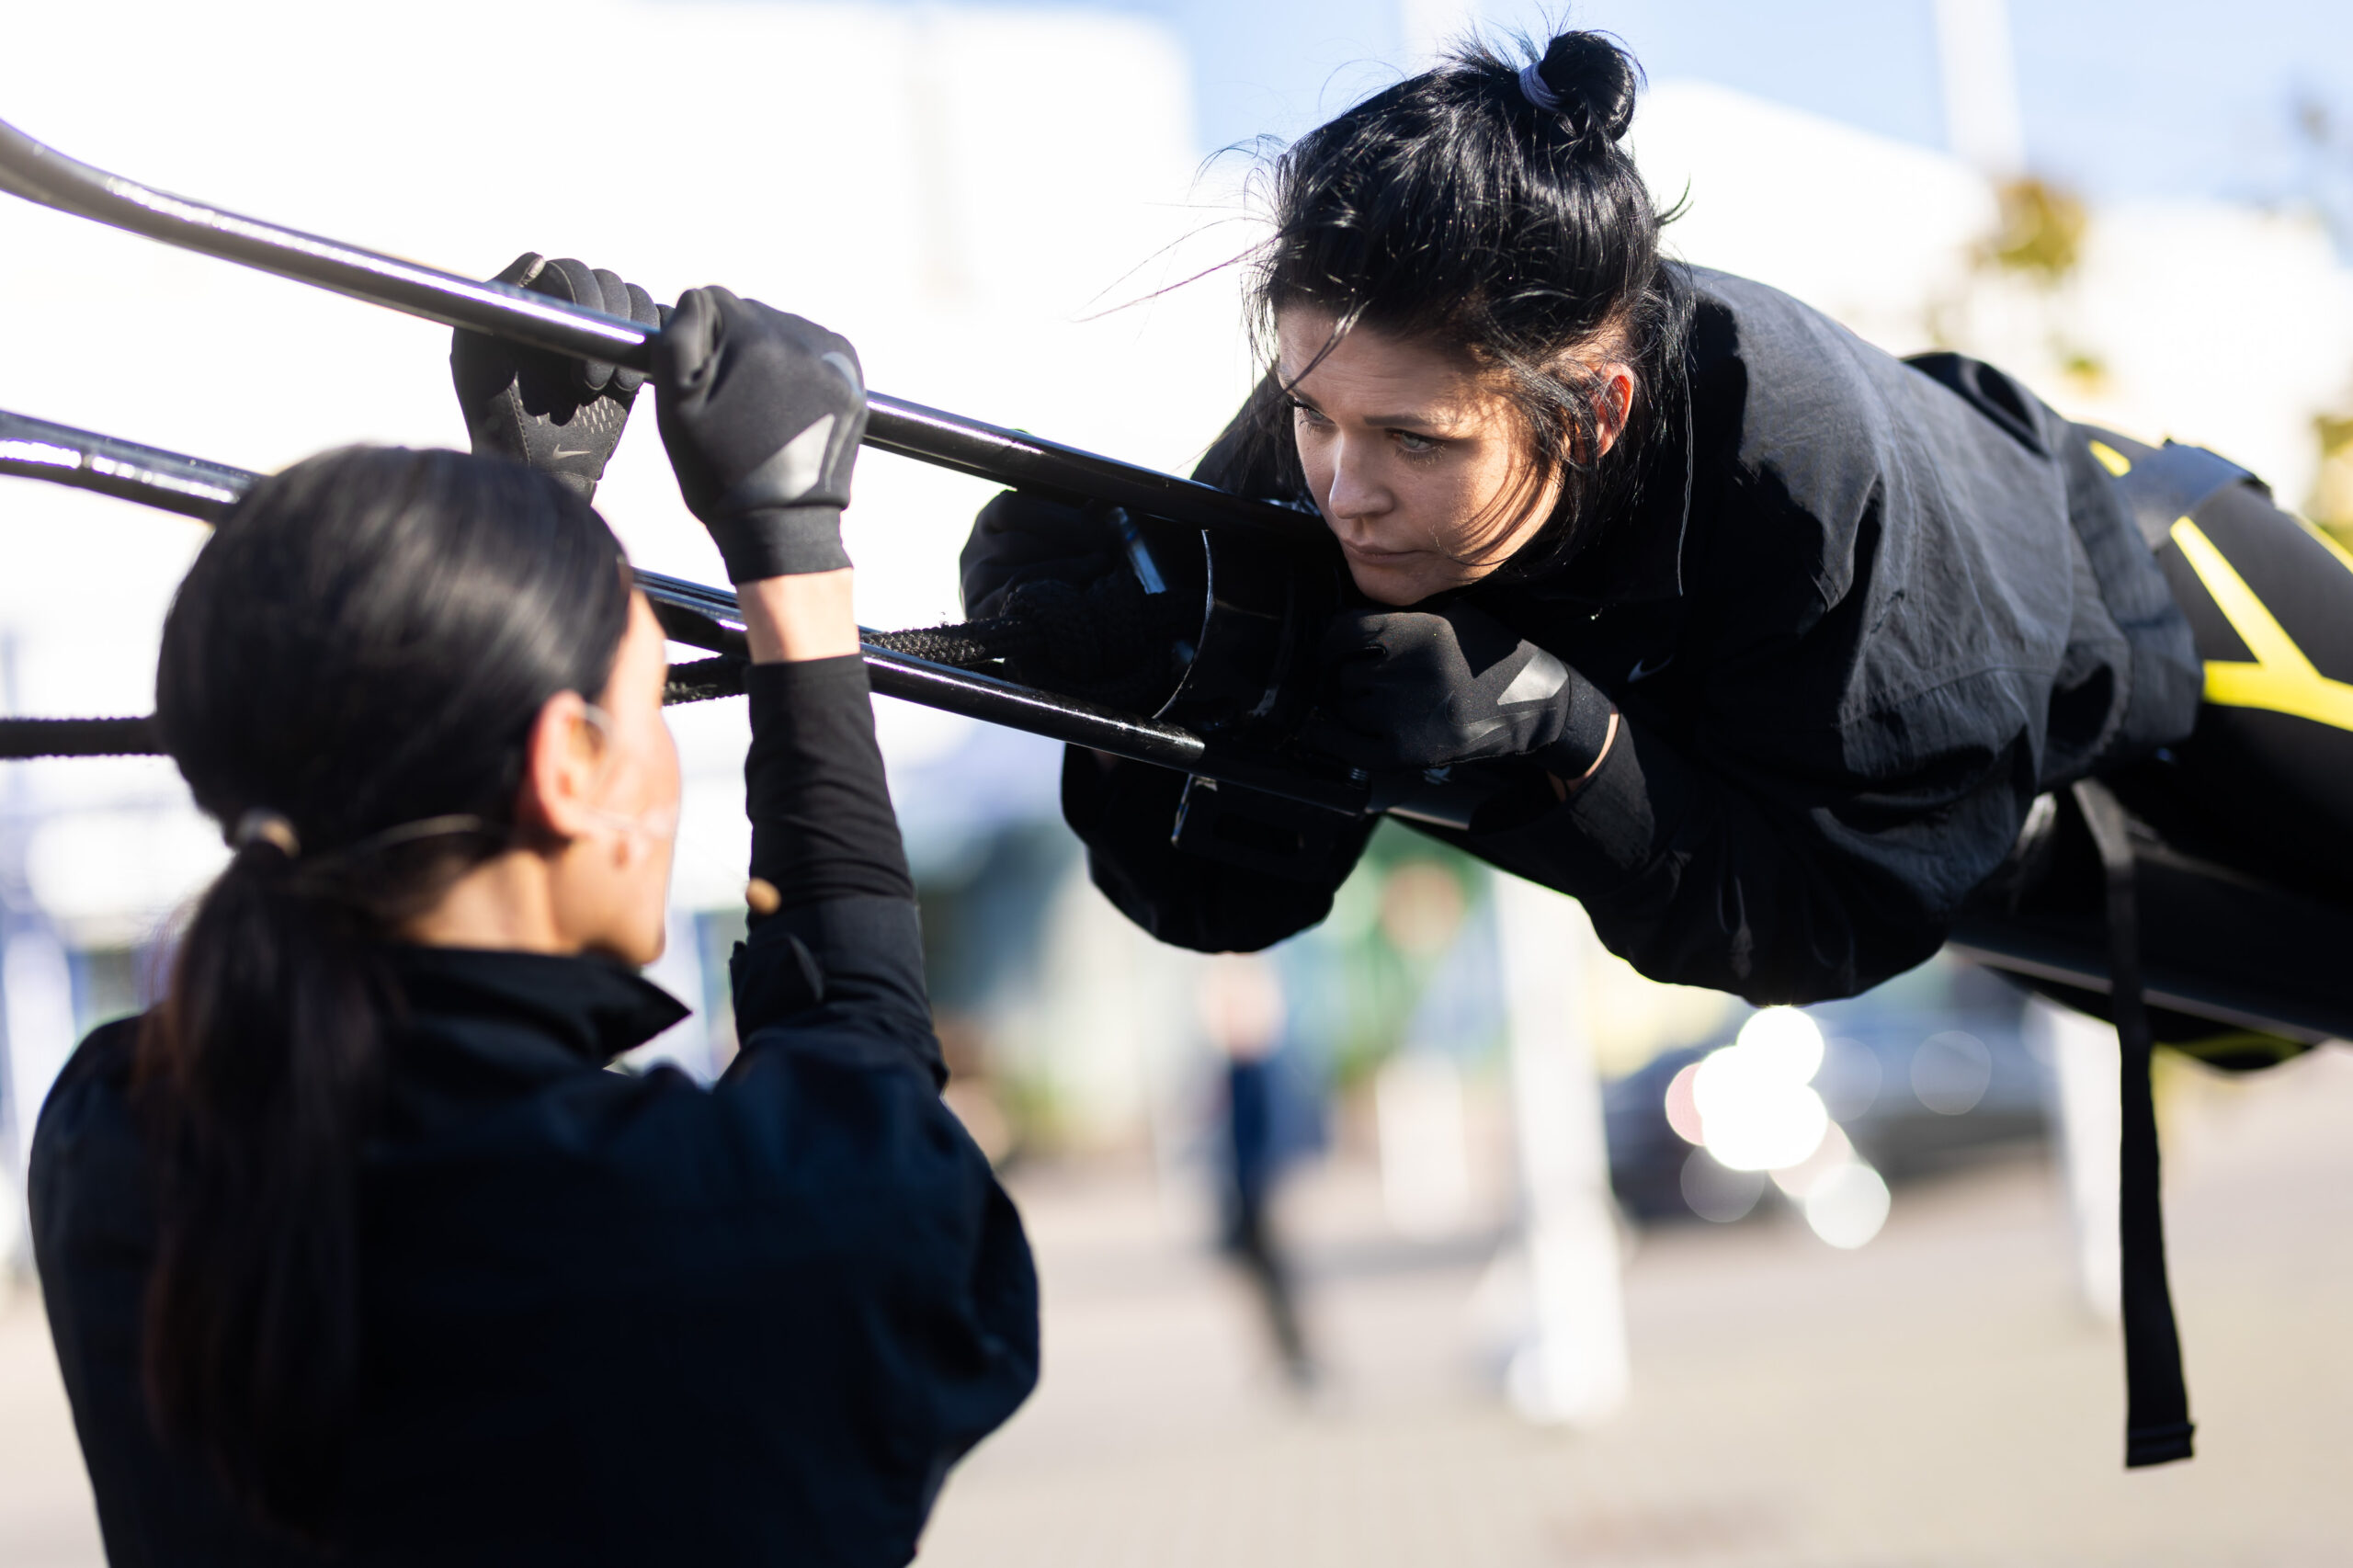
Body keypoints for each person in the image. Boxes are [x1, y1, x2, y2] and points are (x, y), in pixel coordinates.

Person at [960, 30, 2353, 1007]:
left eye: (1413, 440)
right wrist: (1134, 697)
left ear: (1599, 410)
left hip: (2142, 589)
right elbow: (1228, 901)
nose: (1339, 484)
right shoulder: (1343, 416)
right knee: (2252, 1018)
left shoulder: (1811, 505)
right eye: (1311, 415)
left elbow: (1827, 924)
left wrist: (1569, 736)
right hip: (1909, 798)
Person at [31, 275, 1037, 1563]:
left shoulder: (114, 1135)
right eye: (650, 698)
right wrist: (797, 571)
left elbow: (453, 1089)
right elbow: (871, 1116)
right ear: (565, 764)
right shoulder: (724, 1222)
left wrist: (522, 533)